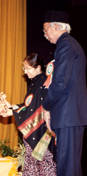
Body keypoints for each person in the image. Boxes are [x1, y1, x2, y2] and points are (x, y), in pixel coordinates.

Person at [42, 10, 87, 176]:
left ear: (55, 27)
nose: (45, 35)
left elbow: (60, 82)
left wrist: (46, 106)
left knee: (67, 167)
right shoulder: (71, 44)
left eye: (45, 30)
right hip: (71, 117)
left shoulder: (65, 45)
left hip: (68, 116)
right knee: (72, 167)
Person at [2, 53, 57, 176]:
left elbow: (35, 108)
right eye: (24, 69)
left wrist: (12, 112)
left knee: (44, 167)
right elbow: (28, 105)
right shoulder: (35, 83)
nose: (25, 72)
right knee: (33, 167)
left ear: (38, 67)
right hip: (34, 133)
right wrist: (12, 106)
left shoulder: (44, 83)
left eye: (28, 69)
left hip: (42, 134)